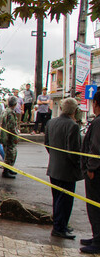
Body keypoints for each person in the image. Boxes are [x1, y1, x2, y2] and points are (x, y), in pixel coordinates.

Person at [44, 97, 83, 240]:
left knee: (57, 199)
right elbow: (73, 151)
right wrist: (79, 165)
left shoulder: (51, 122)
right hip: (67, 170)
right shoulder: (73, 126)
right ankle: (60, 228)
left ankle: (60, 224)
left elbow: (47, 144)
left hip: (54, 168)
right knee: (65, 201)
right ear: (74, 110)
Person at [80, 91, 100, 253]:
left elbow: (95, 148)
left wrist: (91, 168)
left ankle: (98, 241)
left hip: (96, 172)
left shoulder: (98, 123)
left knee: (94, 206)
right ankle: (96, 236)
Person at [0, 96, 19, 179]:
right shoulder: (10, 113)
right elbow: (11, 127)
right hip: (9, 137)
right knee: (10, 154)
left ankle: (9, 168)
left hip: (5, 136)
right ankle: (6, 171)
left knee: (10, 153)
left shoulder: (6, 111)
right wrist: (15, 136)